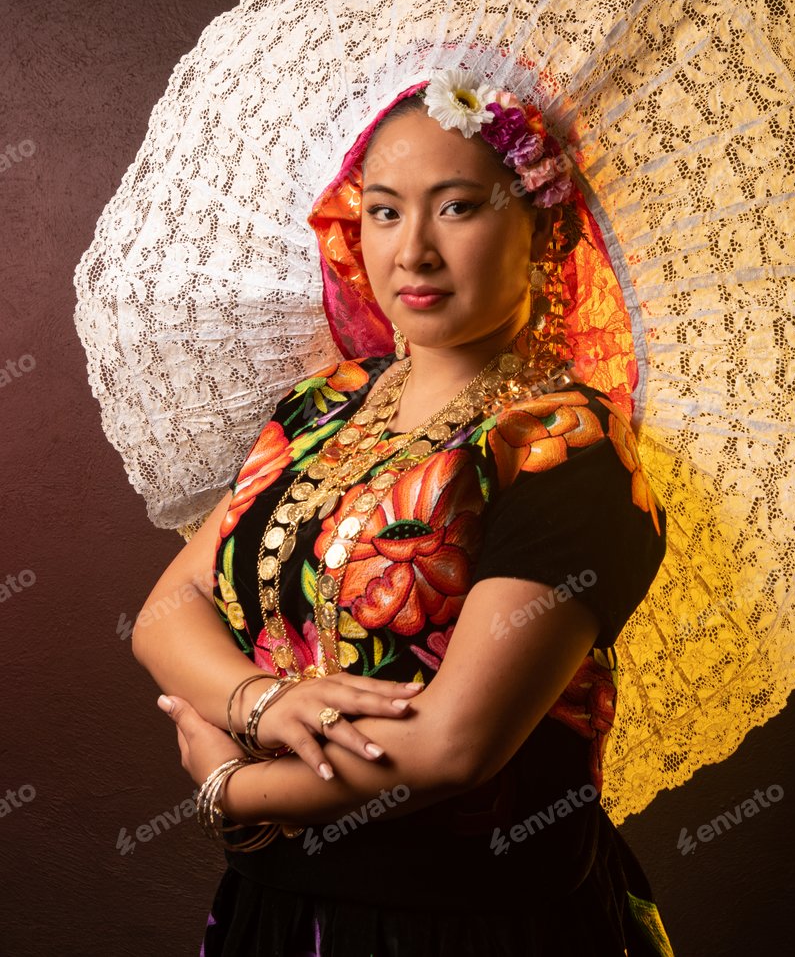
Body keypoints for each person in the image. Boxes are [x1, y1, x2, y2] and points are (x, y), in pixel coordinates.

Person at [132, 69, 676, 956]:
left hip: (470, 927)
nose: (411, 251)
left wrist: (230, 787)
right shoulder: (322, 405)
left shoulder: (565, 449)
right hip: (275, 909)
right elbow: (165, 610)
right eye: (383, 211)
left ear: (544, 228)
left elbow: (454, 748)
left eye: (457, 208)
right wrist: (257, 702)